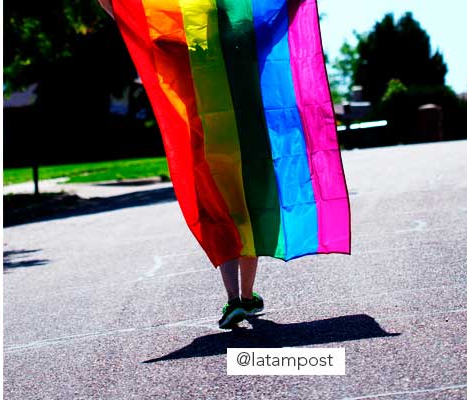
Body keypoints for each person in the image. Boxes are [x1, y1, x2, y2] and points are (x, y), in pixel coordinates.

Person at [101, 0, 350, 330]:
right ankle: (246, 297)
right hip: (250, 143)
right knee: (251, 211)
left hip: (205, 146)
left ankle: (234, 297)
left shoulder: (181, 41)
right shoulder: (247, 31)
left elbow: (132, 18)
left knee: (220, 214)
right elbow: (280, 16)